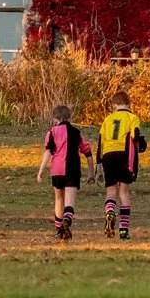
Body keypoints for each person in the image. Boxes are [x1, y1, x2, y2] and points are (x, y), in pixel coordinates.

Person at [36, 103, 91, 240]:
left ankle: (59, 230)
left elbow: (49, 151)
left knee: (59, 199)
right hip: (72, 169)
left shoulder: (51, 132)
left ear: (55, 118)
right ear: (69, 117)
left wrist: (41, 170)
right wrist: (91, 172)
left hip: (57, 170)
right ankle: (67, 222)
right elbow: (87, 152)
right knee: (69, 201)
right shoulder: (76, 133)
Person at [97, 92, 146, 239]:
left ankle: (110, 212)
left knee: (111, 192)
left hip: (108, 155)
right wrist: (141, 142)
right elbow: (135, 135)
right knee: (124, 192)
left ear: (114, 105)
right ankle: (123, 230)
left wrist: (99, 165)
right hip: (124, 156)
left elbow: (100, 142)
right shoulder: (132, 118)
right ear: (129, 103)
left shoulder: (107, 119)